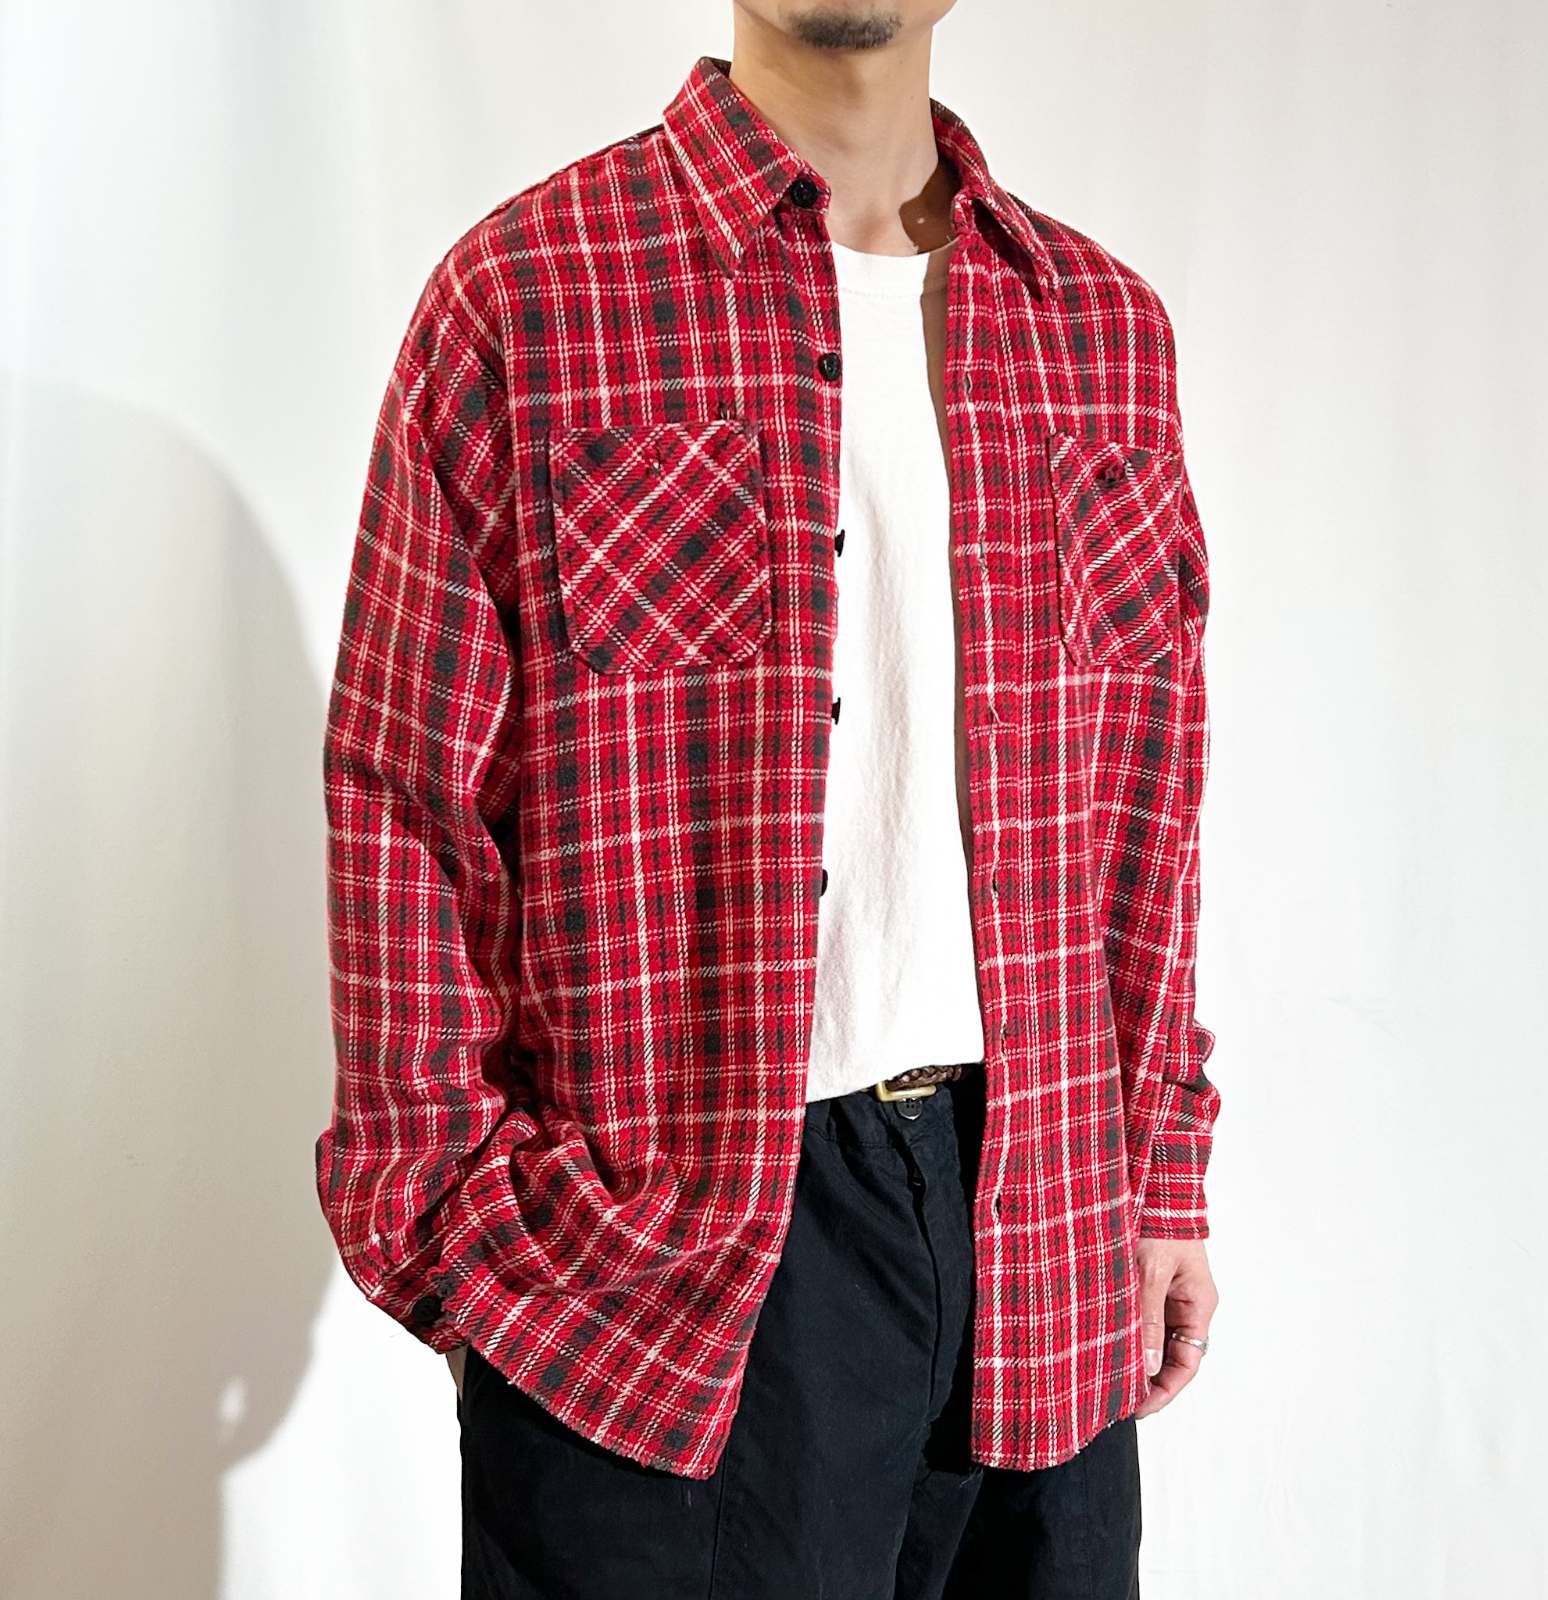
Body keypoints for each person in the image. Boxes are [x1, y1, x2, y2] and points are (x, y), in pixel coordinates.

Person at [314, 5, 1221, 1595]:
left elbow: (1147, 791)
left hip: (1047, 1229)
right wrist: (453, 1229)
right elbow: (406, 791)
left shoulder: (1099, 330)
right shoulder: (531, 292)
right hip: (668, 1262)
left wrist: (1161, 1172)